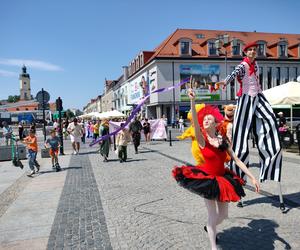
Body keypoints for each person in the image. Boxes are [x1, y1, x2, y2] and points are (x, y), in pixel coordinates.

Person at [172, 89, 260, 250]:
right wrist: (192, 101)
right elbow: (196, 125)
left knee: (224, 215)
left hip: (223, 179)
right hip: (207, 179)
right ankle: (213, 246)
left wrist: (252, 177)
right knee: (212, 215)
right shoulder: (202, 140)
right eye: (203, 119)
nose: (205, 121)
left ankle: (209, 227)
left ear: (215, 122)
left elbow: (236, 160)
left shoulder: (223, 140)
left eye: (209, 119)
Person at [217, 42, 282, 184]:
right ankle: (238, 177)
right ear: (245, 52)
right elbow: (233, 74)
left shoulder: (256, 64)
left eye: (254, 50)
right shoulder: (243, 65)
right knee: (240, 137)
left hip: (258, 96)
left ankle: (269, 163)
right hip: (246, 98)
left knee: (271, 119)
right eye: (250, 50)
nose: (252, 52)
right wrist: (225, 82)